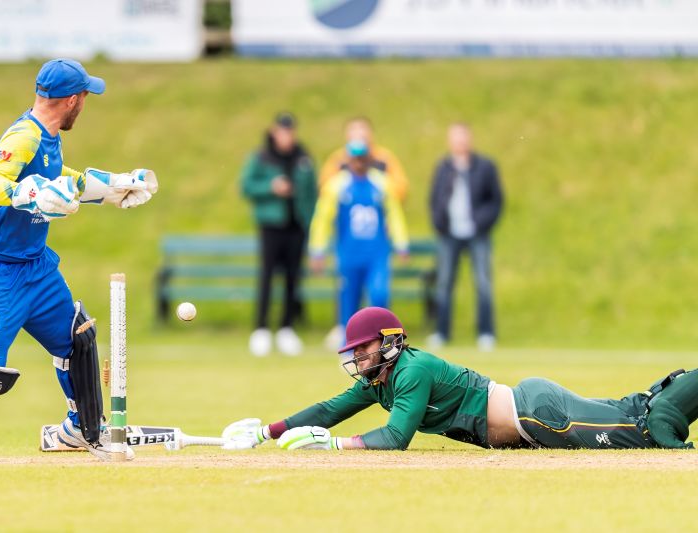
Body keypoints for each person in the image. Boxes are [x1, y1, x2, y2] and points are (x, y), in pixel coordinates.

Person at [0, 59, 159, 464]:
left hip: (35, 266)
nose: (85, 104)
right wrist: (27, 194)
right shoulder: (24, 136)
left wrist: (112, 187)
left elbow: (62, 178)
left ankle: (81, 430)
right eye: (85, 96)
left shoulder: (48, 137)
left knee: (77, 339)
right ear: (72, 100)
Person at [222, 307, 698, 452]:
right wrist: (267, 431)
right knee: (628, 410)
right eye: (355, 351)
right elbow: (330, 409)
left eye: (364, 348)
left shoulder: (412, 371)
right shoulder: (382, 379)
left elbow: (395, 438)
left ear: (388, 342)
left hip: (536, 413)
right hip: (529, 418)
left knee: (641, 431)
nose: (359, 357)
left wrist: (333, 445)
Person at [309, 140, 409, 349]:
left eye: (362, 158)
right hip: (349, 254)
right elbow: (323, 218)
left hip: (376, 254)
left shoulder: (381, 183)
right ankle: (350, 349)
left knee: (379, 295)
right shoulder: (337, 185)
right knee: (349, 301)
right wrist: (317, 250)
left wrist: (401, 243)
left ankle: (384, 347)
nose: (359, 163)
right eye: (355, 159)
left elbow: (394, 214)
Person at [241, 112, 317, 357]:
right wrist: (271, 187)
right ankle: (261, 328)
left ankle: (287, 327)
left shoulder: (303, 157)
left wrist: (310, 220)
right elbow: (247, 186)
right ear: (274, 132)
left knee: (293, 278)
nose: (286, 136)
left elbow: (312, 192)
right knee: (267, 276)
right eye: (282, 131)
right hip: (271, 225)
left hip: (296, 225)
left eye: (290, 131)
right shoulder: (262, 156)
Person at [428, 123, 503, 352]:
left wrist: (481, 222)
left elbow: (496, 200)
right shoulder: (443, 167)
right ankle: (442, 332)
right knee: (444, 283)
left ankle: (486, 333)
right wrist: (440, 222)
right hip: (449, 234)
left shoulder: (485, 167)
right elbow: (434, 199)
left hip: (477, 233)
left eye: (463, 137)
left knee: (483, 282)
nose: (460, 142)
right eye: (455, 138)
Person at [319, 117, 409, 202]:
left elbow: (401, 190)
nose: (358, 134)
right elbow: (324, 190)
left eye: (362, 132)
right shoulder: (339, 161)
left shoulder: (384, 160)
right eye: (354, 131)